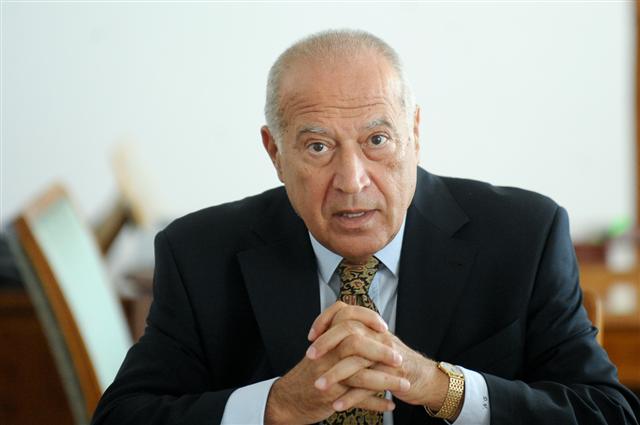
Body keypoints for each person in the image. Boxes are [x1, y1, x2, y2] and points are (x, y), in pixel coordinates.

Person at [91, 29, 640, 425]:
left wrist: (439, 386)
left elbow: (608, 412)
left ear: (414, 134)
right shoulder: (199, 253)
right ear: (275, 152)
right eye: (318, 147)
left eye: (377, 141)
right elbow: (123, 415)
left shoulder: (524, 236)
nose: (352, 181)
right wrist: (277, 406)